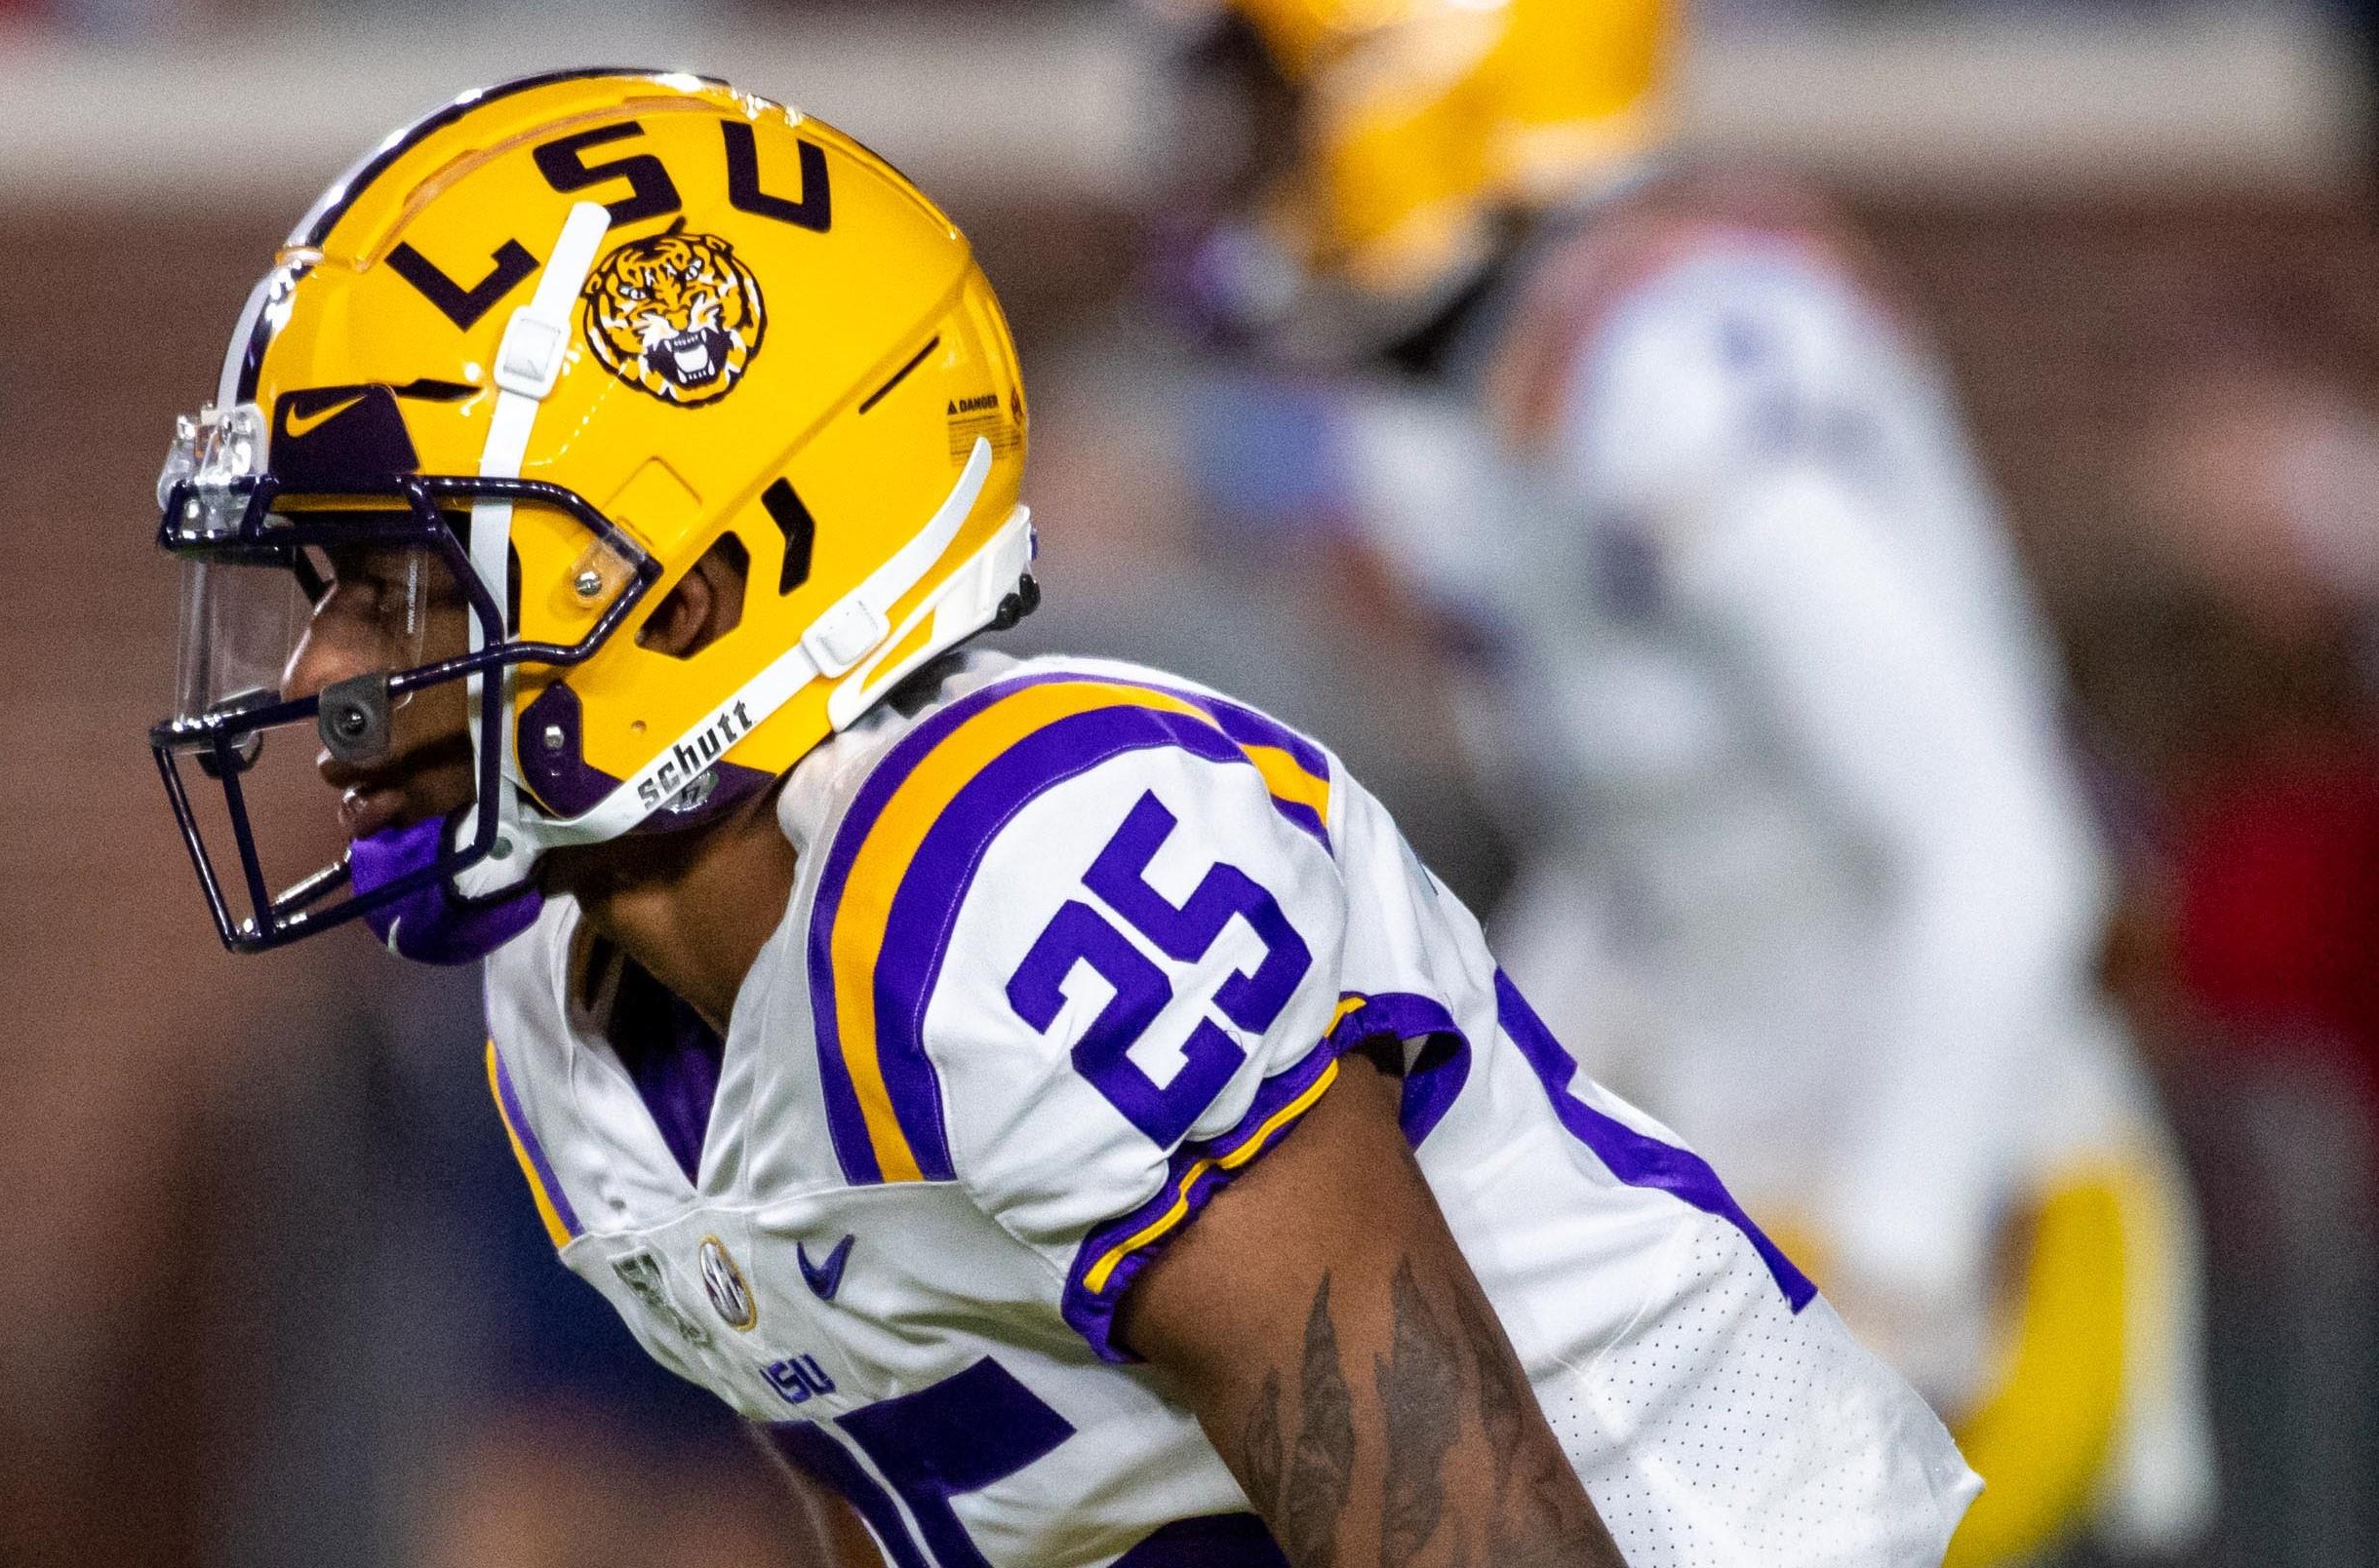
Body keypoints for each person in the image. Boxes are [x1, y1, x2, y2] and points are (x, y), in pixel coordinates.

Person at [143, 69, 1975, 1567]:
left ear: (699, 593)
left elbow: (1471, 1542)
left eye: (405, 588)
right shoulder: (565, 1019)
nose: (322, 674)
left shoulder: (1019, 884)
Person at [1150, 3, 2215, 1563]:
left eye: (1273, 94)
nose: (1230, 161)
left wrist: (1885, 1275)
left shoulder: (1682, 352)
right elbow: (1646, 870)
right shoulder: (1485, 391)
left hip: (1966, 1210)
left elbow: (2009, 852)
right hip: (1741, 1212)